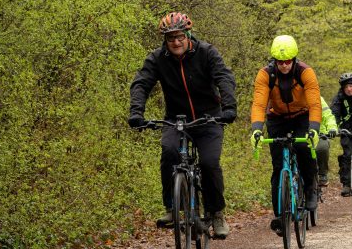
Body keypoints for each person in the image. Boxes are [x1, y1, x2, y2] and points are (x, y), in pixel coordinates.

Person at [128, 12, 236, 237]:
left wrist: (228, 108)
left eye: (179, 37)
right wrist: (136, 113)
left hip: (209, 118)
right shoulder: (157, 58)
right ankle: (172, 207)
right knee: (169, 151)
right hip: (176, 119)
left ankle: (216, 213)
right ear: (164, 41)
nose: (176, 42)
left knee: (208, 162)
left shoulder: (207, 53)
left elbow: (223, 77)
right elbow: (141, 84)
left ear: (188, 35)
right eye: (170, 38)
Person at [250, 35, 321, 235]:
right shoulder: (265, 75)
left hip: (302, 116)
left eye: (287, 61)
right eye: (279, 62)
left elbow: (315, 104)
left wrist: (314, 129)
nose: (283, 65)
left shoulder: (306, 72)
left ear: (294, 59)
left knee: (302, 147)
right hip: (277, 118)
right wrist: (256, 128)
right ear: (274, 60)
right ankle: (280, 216)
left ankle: (310, 189)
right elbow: (259, 104)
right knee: (278, 166)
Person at [316, 96, 338, 187]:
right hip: (299, 134)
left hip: (320, 133)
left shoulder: (318, 98)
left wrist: (332, 128)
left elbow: (328, 115)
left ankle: (322, 174)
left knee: (322, 148)